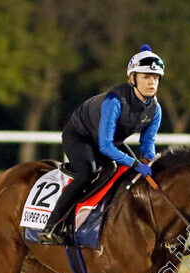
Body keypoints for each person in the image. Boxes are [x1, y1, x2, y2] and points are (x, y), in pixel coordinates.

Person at [37, 45, 164, 245]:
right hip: (80, 136)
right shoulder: (115, 100)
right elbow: (105, 146)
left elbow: (148, 145)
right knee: (87, 172)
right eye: (146, 77)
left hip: (109, 140)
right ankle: (51, 226)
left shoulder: (155, 110)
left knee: (132, 176)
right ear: (132, 79)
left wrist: (149, 163)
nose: (152, 83)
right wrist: (134, 163)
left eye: (155, 78)